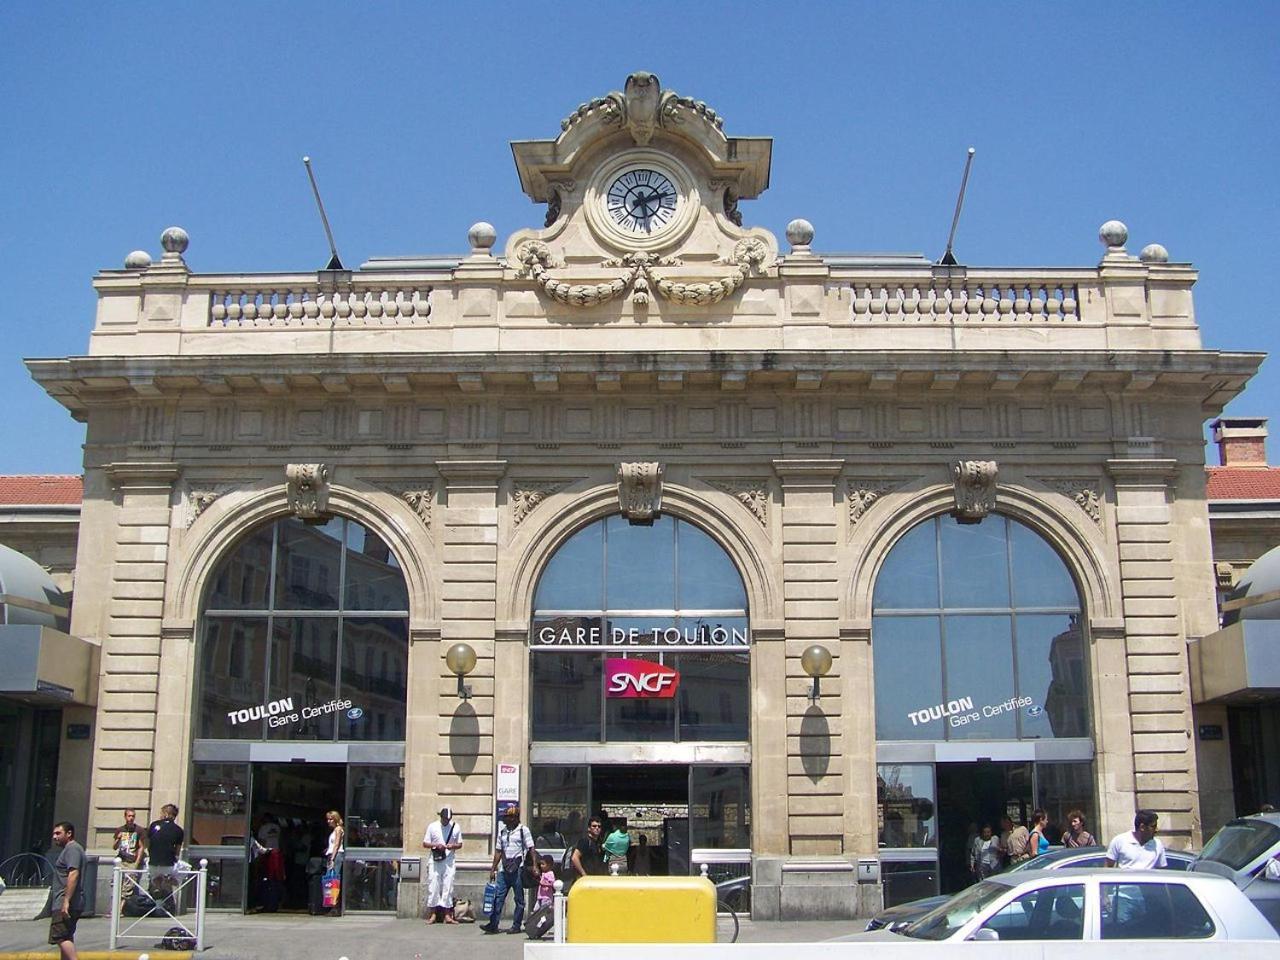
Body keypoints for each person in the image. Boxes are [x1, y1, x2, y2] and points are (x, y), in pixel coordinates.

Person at [481, 805, 536, 935]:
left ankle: (516, 925)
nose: (504, 819)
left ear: (514, 818)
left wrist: (534, 865)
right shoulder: (503, 832)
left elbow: (531, 848)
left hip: (518, 869)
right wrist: (493, 869)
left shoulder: (524, 830)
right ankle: (493, 924)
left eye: (507, 817)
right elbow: (498, 852)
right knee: (498, 897)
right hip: (503, 870)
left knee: (519, 899)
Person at [48, 822, 84, 960]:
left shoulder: (72, 849)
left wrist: (66, 901)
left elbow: (73, 873)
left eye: (58, 833)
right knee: (66, 936)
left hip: (66, 901)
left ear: (69, 834)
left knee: (60, 936)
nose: (54, 837)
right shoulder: (72, 849)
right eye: (54, 833)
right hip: (68, 901)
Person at [422, 805, 462, 924]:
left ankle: (447, 914)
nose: (446, 821)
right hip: (435, 859)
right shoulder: (432, 826)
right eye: (444, 819)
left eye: (448, 819)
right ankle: (433, 914)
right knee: (433, 886)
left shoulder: (456, 827)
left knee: (448, 886)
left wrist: (452, 846)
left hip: (449, 860)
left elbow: (460, 844)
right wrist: (436, 845)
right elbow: (425, 843)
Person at [146, 804, 185, 907]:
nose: (160, 816)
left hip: (152, 864)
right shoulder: (179, 830)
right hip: (168, 865)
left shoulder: (154, 825)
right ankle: (168, 882)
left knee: (155, 876)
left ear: (166, 814)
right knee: (186, 869)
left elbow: (148, 843)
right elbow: (177, 850)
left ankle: (158, 886)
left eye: (161, 813)